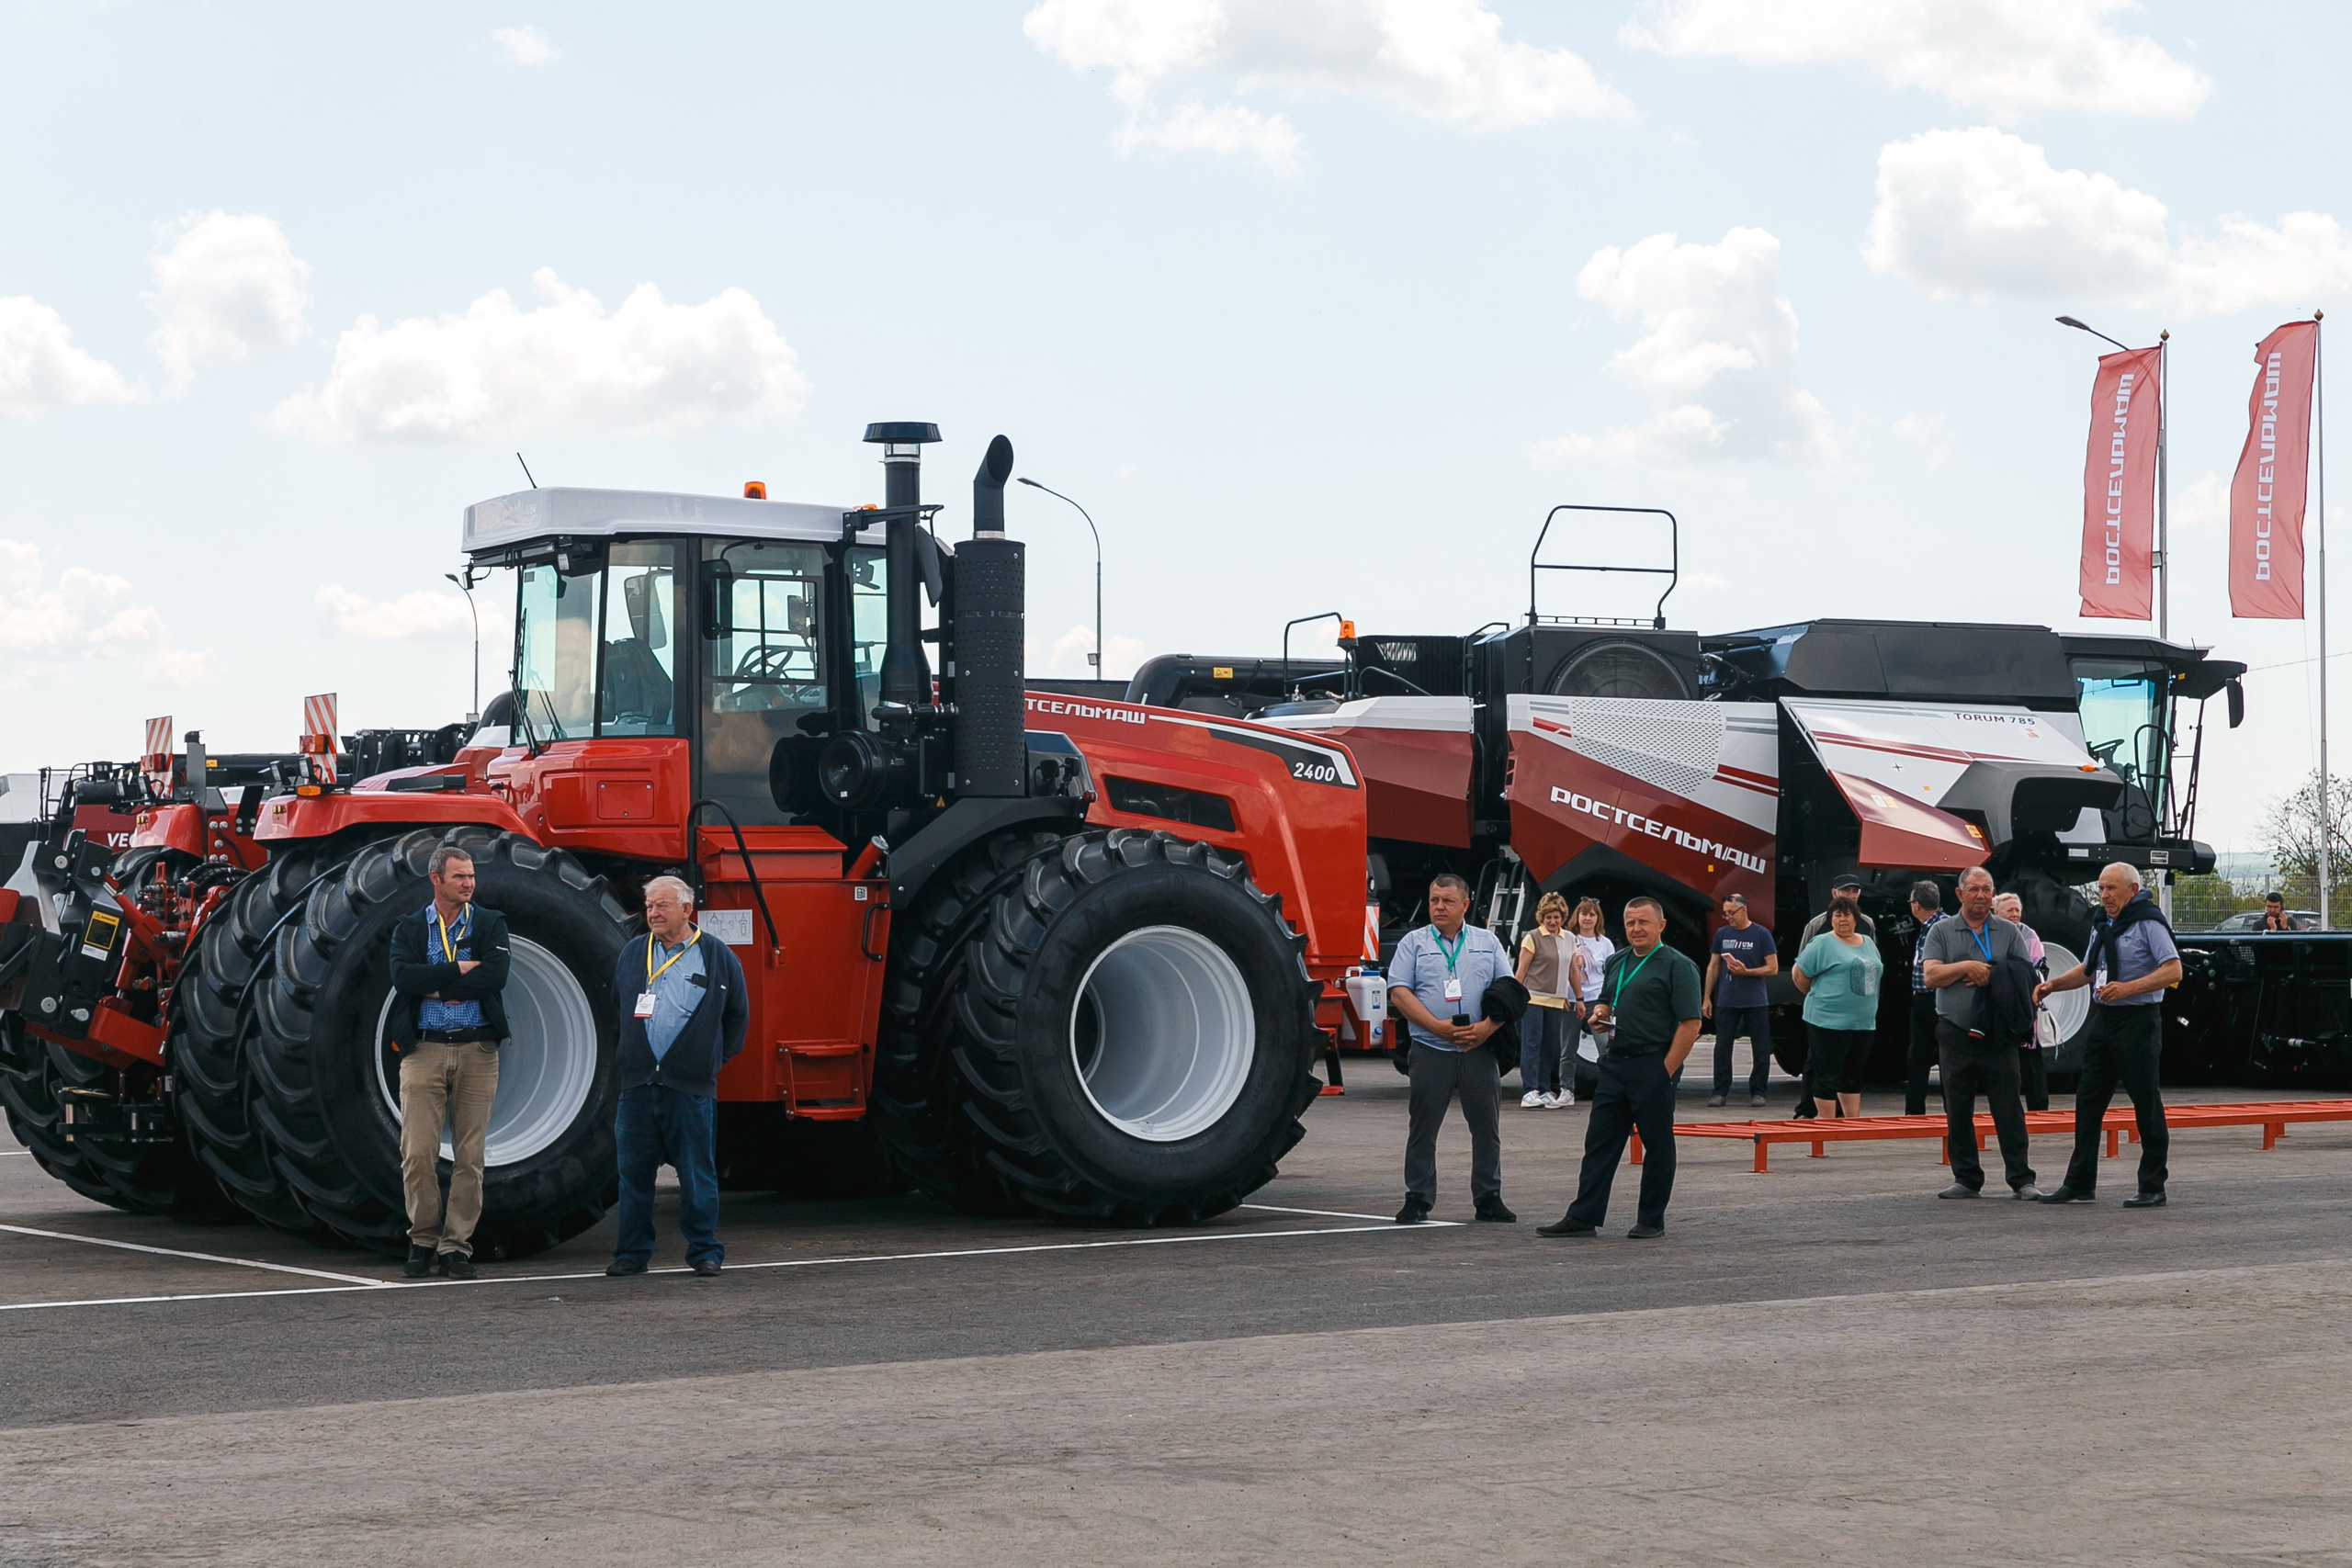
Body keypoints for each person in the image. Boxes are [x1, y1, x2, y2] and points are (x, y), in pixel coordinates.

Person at [606, 875, 750, 1278]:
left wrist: (709, 1059)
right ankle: (631, 1254)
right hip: (636, 1087)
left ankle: (705, 1251)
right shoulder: (634, 952)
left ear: (687, 910)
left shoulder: (717, 956)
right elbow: (620, 1004)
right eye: (649, 906)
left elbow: (737, 1014)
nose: (652, 913)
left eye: (662, 906)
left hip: (689, 1087)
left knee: (695, 1173)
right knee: (634, 1176)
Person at [1538, 896, 1703, 1240]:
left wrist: (1665, 1071)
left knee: (1657, 1145)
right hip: (1615, 1063)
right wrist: (1600, 1015)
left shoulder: (1678, 965)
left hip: (1653, 1063)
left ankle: (1650, 1219)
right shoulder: (1617, 961)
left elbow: (1690, 1024)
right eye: (1630, 923)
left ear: (1661, 926)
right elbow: (1606, 1000)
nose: (1636, 929)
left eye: (1643, 922)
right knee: (1599, 1142)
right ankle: (1584, 1216)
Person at [386, 845, 513, 1280]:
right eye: (459, 877)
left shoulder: (490, 922)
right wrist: (460, 970)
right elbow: (404, 977)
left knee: (470, 1157)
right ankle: (422, 1239)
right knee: (417, 1153)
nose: (469, 884)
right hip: (425, 1049)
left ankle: (455, 1246)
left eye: (471, 876)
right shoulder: (409, 927)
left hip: (478, 1050)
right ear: (435, 879)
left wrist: (437, 983)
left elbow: (495, 976)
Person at [2035, 863, 2180, 1208]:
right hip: (2106, 1021)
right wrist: (2053, 984)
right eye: (2101, 889)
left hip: (2138, 1021)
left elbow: (2173, 970)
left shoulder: (2149, 922)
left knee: (2146, 1104)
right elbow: (2088, 970)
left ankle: (2152, 1185)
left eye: (2111, 889)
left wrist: (2129, 988)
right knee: (2087, 1102)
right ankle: (2080, 1183)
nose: (2104, 896)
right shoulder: (2103, 924)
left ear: (2132, 890)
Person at [1389, 874, 1516, 1224]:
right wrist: (1437, 1028)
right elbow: (1399, 992)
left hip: (1479, 1051)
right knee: (1423, 1128)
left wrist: (1486, 1029)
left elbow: (1509, 992)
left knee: (1486, 1128)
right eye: (1433, 900)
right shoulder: (1413, 943)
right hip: (1431, 1048)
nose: (1439, 907)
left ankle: (1488, 1197)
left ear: (1465, 904)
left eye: (1446, 901)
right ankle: (1418, 1197)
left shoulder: (1487, 942)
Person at [1922, 866, 2041, 1200]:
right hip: (1955, 1033)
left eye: (1987, 890)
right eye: (1973, 889)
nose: (1981, 895)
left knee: (2008, 1109)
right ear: (1960, 894)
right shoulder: (1942, 931)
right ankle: (1967, 1178)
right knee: (1957, 1109)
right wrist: (1965, 967)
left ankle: (2022, 1179)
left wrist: (1993, 974)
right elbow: (1931, 976)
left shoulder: (2006, 931)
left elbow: (2026, 974)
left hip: (1998, 1036)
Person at [1791, 894, 1882, 1120]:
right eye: (1837, 915)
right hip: (1827, 1021)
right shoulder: (1823, 942)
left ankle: (1852, 1123)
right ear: (1831, 919)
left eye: (1847, 915)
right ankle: (1828, 1126)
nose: (1842, 919)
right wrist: (1818, 996)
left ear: (1856, 919)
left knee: (1853, 1075)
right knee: (1827, 1075)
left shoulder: (1868, 942)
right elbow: (1799, 974)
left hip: (1862, 1022)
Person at [1702, 894, 1776, 1108]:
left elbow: (1772, 967)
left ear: (1744, 909)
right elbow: (1714, 966)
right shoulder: (1722, 934)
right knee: (1722, 1047)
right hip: (1727, 999)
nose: (1728, 917)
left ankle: (1759, 1091)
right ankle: (1720, 1091)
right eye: (1725, 914)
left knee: (1760, 1047)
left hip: (1755, 1000)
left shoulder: (1761, 934)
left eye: (1731, 913)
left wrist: (1747, 972)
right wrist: (1707, 997)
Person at [1992, 891, 2052, 1111]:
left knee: (2030, 1061)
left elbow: (2041, 968)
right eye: (2010, 910)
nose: (2015, 914)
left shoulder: (2029, 935)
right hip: (1998, 1007)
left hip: (2024, 1006)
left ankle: (2039, 1110)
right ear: (1996, 913)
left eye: (2018, 910)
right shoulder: (1990, 933)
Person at [1515, 892, 1574, 1108]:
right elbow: (1522, 969)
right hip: (1533, 998)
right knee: (1532, 1044)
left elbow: (1572, 971)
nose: (1552, 921)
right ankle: (1529, 1090)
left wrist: (1576, 996)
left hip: (1556, 1000)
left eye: (1556, 917)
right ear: (1542, 917)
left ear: (1563, 917)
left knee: (1550, 1047)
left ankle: (1545, 1088)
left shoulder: (1569, 938)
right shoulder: (1532, 937)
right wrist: (1515, 996)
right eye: (1548, 917)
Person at [1903, 881, 1947, 1117]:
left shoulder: (1943, 926)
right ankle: (1914, 1113)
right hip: (1922, 998)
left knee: (1946, 1057)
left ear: (1916, 905)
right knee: (1917, 1056)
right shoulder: (1928, 926)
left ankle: (1951, 1111)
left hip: (1939, 1000)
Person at [1565, 897, 1613, 1101]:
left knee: (1605, 1047)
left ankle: (1609, 1088)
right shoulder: (1568, 939)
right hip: (1571, 1000)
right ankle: (1566, 1090)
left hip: (1596, 1000)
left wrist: (1610, 1001)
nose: (1587, 918)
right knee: (1567, 1049)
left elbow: (1612, 973)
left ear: (1597, 918)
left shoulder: (1605, 944)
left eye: (1592, 914)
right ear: (1578, 916)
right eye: (1584, 914)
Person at [1800, 874, 1878, 945]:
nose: (1851, 896)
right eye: (1846, 890)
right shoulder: (1816, 925)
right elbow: (1803, 958)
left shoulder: (1868, 923)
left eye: (1855, 891)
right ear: (1834, 893)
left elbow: (1872, 955)